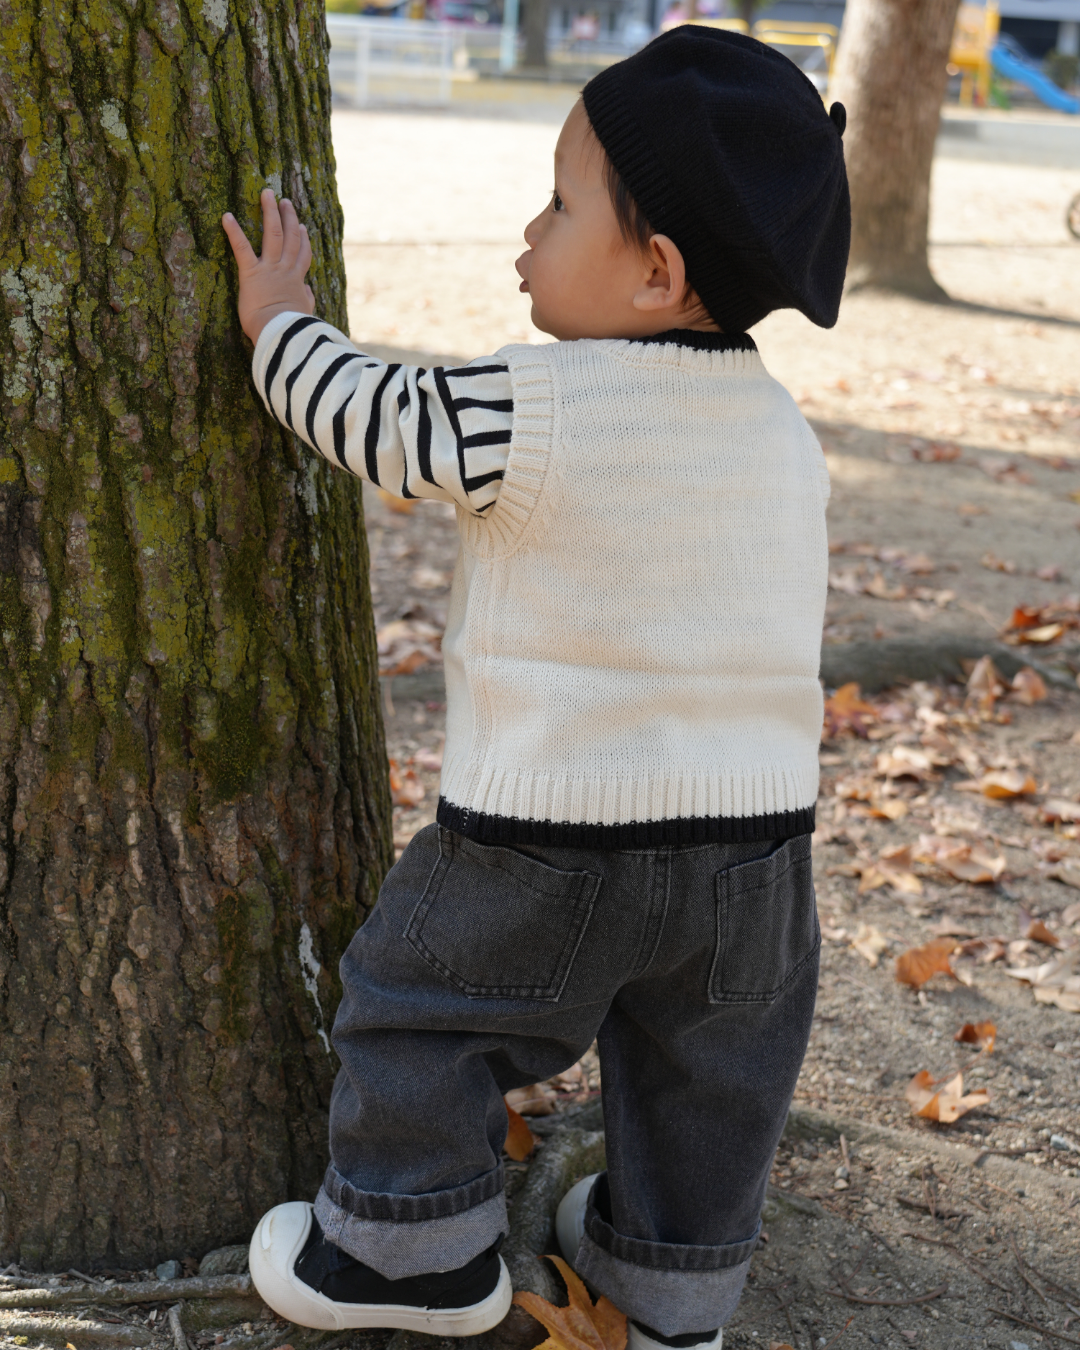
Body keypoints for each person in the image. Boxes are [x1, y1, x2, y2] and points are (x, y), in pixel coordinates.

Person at [222, 26, 849, 1349]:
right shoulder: (786, 434)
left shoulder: (537, 404)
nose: (528, 229)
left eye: (561, 205)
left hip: (549, 839)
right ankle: (674, 1290)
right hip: (756, 862)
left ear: (655, 273)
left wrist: (282, 327)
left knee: (421, 1012)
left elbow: (375, 415)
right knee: (709, 1076)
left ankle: (405, 1252)